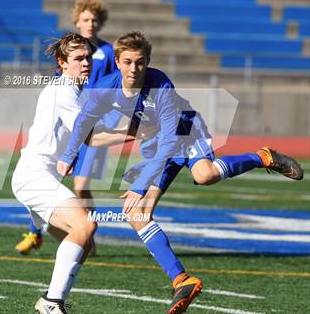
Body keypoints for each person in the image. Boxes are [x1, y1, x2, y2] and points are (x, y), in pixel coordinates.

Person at [57, 32, 304, 314]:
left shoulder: (160, 84)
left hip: (184, 130)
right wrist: (68, 156)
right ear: (117, 61)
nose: (134, 69)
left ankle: (263, 156)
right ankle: (182, 280)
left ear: (148, 61)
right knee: (136, 214)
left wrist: (140, 183)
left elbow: (171, 143)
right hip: (158, 141)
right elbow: (82, 123)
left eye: (140, 62)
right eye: (127, 62)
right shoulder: (103, 88)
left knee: (205, 175)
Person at [11, 33, 147, 314]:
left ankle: (50, 301)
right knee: (85, 227)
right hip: (34, 176)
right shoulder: (64, 90)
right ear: (62, 63)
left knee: (83, 241)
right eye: (78, 58)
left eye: (88, 57)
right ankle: (52, 303)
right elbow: (92, 137)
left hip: (41, 176)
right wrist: (135, 131)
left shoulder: (72, 89)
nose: (86, 63)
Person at [15, 0, 121, 255]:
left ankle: (71, 236)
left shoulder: (106, 53)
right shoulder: (65, 83)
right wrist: (138, 132)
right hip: (80, 130)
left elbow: (114, 87)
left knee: (80, 195)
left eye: (95, 20)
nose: (90, 24)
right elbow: (64, 105)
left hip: (92, 123)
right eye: (85, 19)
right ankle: (42, 231)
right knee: (78, 209)